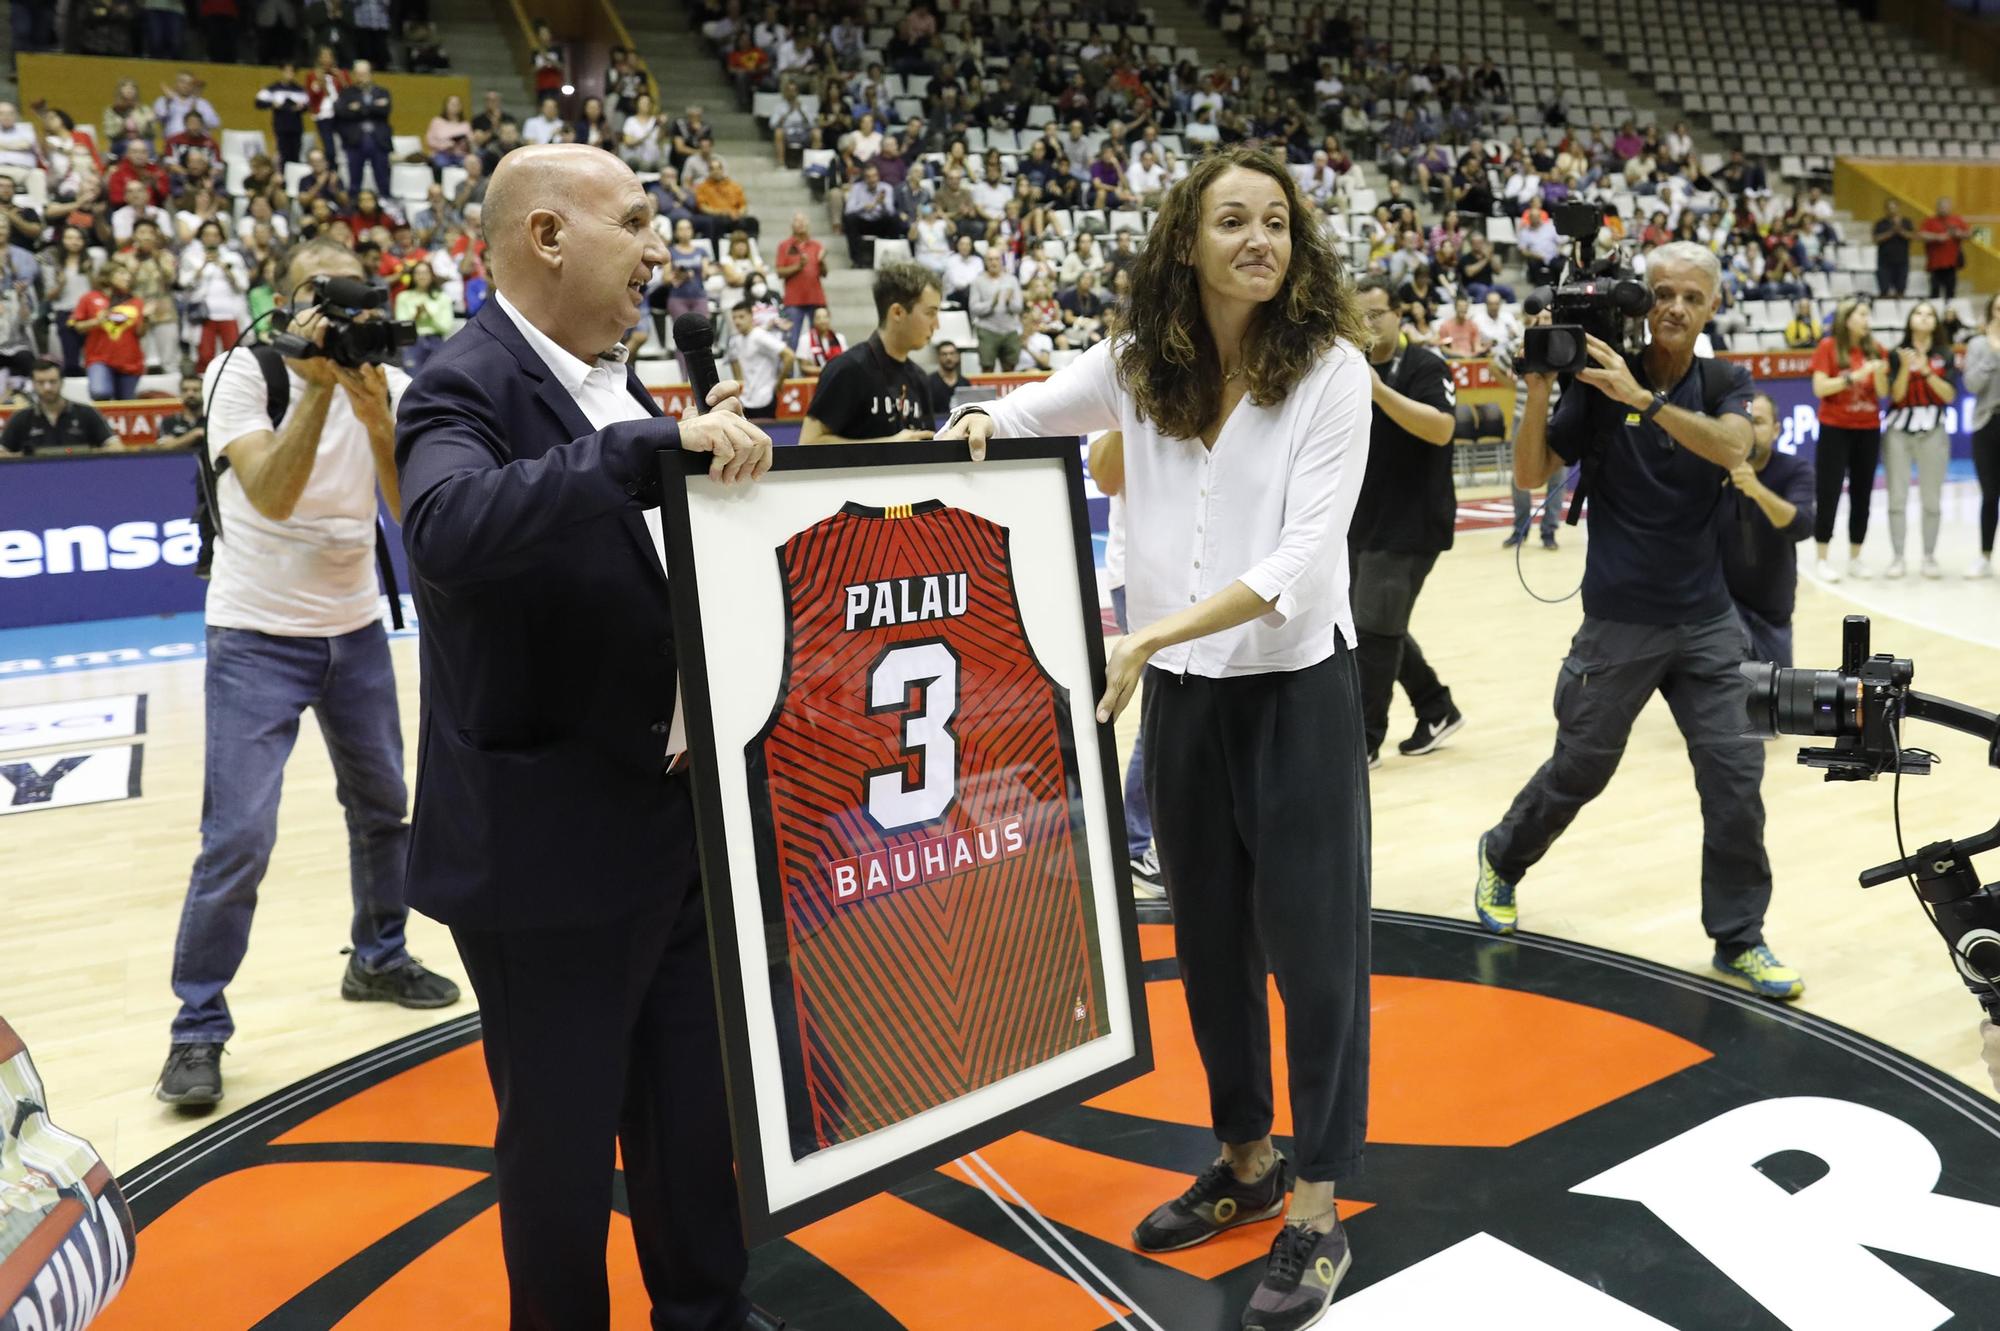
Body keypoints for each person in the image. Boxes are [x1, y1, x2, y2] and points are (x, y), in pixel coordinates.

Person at [937, 143, 1373, 1331]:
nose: (1259, 241)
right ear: (1188, 241)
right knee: (1212, 944)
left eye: (1276, 222)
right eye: (1232, 220)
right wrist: (977, 414)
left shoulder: (1331, 371)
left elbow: (1297, 565)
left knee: (1314, 959)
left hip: (1293, 690)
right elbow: (1014, 411)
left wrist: (1138, 636)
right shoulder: (1139, 364)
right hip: (1179, 693)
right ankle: (1247, 1164)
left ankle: (1317, 1211)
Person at [393, 142, 783, 1331]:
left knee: (688, 1112)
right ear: (547, 236)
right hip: (544, 847)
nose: (659, 246)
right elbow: (448, 527)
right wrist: (633, 454)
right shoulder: (459, 383)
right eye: (633, 221)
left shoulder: (619, 377)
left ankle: (705, 1313)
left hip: (667, 818)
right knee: (561, 1148)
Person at [155, 237, 461, 1107]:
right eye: (322, 305)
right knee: (238, 839)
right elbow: (274, 492)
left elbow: (414, 516)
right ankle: (197, 1027)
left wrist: (372, 415)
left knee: (384, 809)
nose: (341, 326)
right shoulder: (241, 374)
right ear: (288, 308)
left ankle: (380, 958)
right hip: (255, 634)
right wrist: (320, 394)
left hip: (356, 628)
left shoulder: (387, 384)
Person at [1477, 240, 1805, 1001]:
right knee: (1580, 770)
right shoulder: (1592, 386)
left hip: (1707, 621)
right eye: (1662, 293)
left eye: (1692, 297)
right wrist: (1536, 383)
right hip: (1619, 621)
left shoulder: (1726, 381)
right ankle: (1502, 855)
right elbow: (1530, 475)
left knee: (1735, 782)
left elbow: (1734, 449)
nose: (1675, 308)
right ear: (1639, 298)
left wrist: (1643, 398)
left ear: (1712, 308)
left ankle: (1740, 938)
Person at [1347, 274, 1463, 767]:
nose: (1368, 325)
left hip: (1413, 522)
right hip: (1364, 520)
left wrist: (1377, 392)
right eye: (1360, 316)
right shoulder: (1348, 367)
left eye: (1376, 314)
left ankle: (1364, 741)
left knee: (1373, 631)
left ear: (1400, 315)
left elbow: (1441, 428)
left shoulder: (1424, 364)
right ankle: (1437, 707)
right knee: (1374, 623)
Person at [1088, 427, 1163, 899]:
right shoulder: (1125, 375)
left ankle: (1147, 839)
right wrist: (1128, 406)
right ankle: (1135, 844)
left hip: (1200, 573)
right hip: (1141, 574)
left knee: (1184, 708)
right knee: (1163, 712)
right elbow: (1106, 478)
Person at [1721, 392, 1814, 668]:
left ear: (1776, 429)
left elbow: (1802, 526)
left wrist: (1756, 490)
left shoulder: (1796, 469)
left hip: (1772, 610)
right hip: (1721, 607)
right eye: (1744, 422)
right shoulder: (1712, 470)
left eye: (1758, 422)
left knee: (1776, 701)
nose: (1749, 429)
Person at [799, 261, 941, 443]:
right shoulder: (847, 369)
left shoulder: (920, 378)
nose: (937, 325)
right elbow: (808, 444)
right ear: (897, 312)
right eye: (930, 313)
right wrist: (887, 446)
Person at [1808, 295, 1889, 583]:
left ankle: (1855, 557)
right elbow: (1820, 388)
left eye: (1868, 315)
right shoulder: (1828, 347)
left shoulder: (1875, 349)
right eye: (1862, 314)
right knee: (1828, 491)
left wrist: (1878, 373)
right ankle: (1821, 557)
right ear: (1847, 318)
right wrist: (1855, 376)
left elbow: (1882, 392)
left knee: (1862, 493)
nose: (1867, 320)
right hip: (1835, 428)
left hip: (1867, 428)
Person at [1882, 301, 1957, 580]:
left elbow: (1949, 395)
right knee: (1897, 498)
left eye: (1929, 315)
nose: (1924, 318)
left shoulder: (1944, 354)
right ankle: (1898, 557)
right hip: (1899, 432)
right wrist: (1905, 367)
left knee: (1931, 500)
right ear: (1910, 320)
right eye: (1918, 313)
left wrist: (1926, 370)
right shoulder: (1896, 354)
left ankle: (1929, 556)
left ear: (1936, 323)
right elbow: (1896, 396)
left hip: (1933, 431)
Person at [1494, 308, 1568, 551]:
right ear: (1533, 320)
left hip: (1558, 418)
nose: (1545, 321)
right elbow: (1494, 365)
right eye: (1541, 317)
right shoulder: (1521, 344)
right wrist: (1514, 387)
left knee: (1557, 478)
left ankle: (1549, 531)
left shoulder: (1565, 345)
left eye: (1549, 317)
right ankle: (1520, 529)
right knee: (1519, 477)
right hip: (1523, 418)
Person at [0, 360, 121, 455]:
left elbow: (117, 448)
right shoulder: (21, 418)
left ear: (62, 382)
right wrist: (25, 457)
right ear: (33, 384)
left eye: (52, 381)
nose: (47, 388)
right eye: (41, 382)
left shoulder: (86, 413)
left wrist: (88, 454)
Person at [71, 260, 147, 401]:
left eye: (128, 274)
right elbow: (77, 326)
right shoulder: (90, 298)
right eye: (121, 273)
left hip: (130, 362)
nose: (127, 277)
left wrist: (147, 318)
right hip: (99, 359)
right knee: (100, 393)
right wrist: (97, 321)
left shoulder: (136, 301)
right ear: (107, 276)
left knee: (126, 407)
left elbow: (140, 333)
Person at [1965, 292, 2000, 581]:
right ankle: (1985, 556)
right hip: (1986, 423)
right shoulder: (1977, 345)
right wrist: (1992, 353)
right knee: (1990, 494)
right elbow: (1972, 384)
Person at [725, 298, 794, 419]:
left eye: (741, 317)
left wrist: (779, 382)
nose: (737, 321)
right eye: (734, 317)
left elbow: (789, 355)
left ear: (751, 316)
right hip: (747, 401)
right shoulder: (738, 340)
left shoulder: (760, 336)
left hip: (764, 399)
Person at [336, 60, 395, 201]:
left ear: (371, 74)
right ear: (354, 75)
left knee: (383, 179)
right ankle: (354, 208)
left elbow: (385, 110)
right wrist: (372, 106)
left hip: (378, 141)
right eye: (359, 74)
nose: (362, 77)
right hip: (355, 141)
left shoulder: (382, 92)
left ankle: (386, 207)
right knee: (355, 181)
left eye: (365, 73)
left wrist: (359, 107)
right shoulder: (347, 93)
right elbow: (342, 112)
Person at [968, 249, 1022, 376]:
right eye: (990, 259)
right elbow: (974, 308)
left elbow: (1019, 307)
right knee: (987, 369)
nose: (994, 263)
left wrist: (1009, 302)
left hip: (1009, 330)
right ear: (985, 262)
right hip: (987, 330)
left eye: (997, 259)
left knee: (1010, 368)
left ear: (1002, 261)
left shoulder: (1012, 280)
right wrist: (992, 303)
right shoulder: (977, 281)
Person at [395, 259, 455, 373]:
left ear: (432, 275)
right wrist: (415, 316)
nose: (422, 276)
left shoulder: (442, 297)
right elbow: (400, 327)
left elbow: (446, 327)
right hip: (412, 342)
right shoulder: (403, 297)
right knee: (411, 380)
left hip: (436, 341)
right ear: (412, 276)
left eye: (425, 272)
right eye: (418, 273)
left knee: (437, 378)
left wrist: (429, 316)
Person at [840, 161, 902, 267]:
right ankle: (857, 260)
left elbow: (891, 212)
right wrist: (863, 207)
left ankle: (892, 257)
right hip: (863, 222)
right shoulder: (856, 188)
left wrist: (882, 204)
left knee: (895, 219)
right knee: (850, 219)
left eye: (874, 176)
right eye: (868, 177)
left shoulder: (886, 188)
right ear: (864, 178)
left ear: (878, 176)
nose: (872, 180)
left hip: (880, 222)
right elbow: (848, 210)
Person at [256, 62, 312, 165]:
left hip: (296, 127)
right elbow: (259, 103)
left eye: (292, 71)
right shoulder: (273, 88)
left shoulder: (299, 90)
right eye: (287, 71)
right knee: (283, 154)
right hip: (281, 126)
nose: (289, 74)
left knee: (295, 155)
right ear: (282, 72)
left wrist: (301, 107)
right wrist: (272, 104)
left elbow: (308, 106)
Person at [1917, 197, 1970, 302]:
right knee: (1934, 292)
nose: (1943, 209)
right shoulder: (1930, 221)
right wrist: (1937, 237)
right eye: (1941, 206)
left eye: (1946, 206)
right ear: (1937, 208)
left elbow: (1969, 234)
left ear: (1950, 207)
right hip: (1935, 264)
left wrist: (1958, 233)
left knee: (1951, 293)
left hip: (1951, 264)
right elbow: (1920, 235)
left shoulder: (1957, 220)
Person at [1873, 199, 1915, 298]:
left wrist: (1900, 231)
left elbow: (1913, 236)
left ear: (1898, 208)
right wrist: (1891, 232)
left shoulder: (1906, 222)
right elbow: (1876, 239)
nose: (1891, 210)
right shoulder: (1880, 223)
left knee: (1901, 290)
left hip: (1902, 261)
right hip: (1884, 261)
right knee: (1884, 290)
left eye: (1893, 207)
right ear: (1885, 209)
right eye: (1889, 208)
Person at [924, 337, 967, 411]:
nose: (948, 357)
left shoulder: (965, 383)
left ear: (957, 356)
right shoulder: (928, 382)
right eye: (944, 354)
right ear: (938, 357)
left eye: (952, 353)